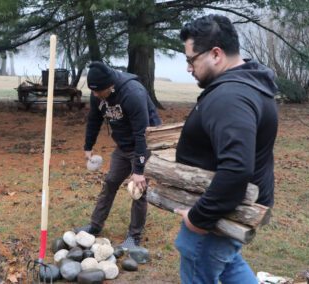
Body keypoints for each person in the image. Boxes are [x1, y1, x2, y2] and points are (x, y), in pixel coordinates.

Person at [174, 15, 278, 283]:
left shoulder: (230, 96)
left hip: (218, 213)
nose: (188, 68)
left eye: (191, 59)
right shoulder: (248, 82)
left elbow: (236, 168)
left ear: (216, 54)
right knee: (229, 264)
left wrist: (198, 218)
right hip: (224, 211)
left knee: (200, 266)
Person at [75, 61, 162, 249]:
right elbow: (94, 119)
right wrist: (88, 145)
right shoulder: (98, 92)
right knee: (111, 183)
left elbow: (142, 133)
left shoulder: (133, 93)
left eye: (99, 92)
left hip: (145, 142)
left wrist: (138, 170)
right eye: (94, 92)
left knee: (138, 190)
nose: (96, 96)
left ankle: (134, 237)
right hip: (123, 145)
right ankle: (95, 226)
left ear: (111, 86)